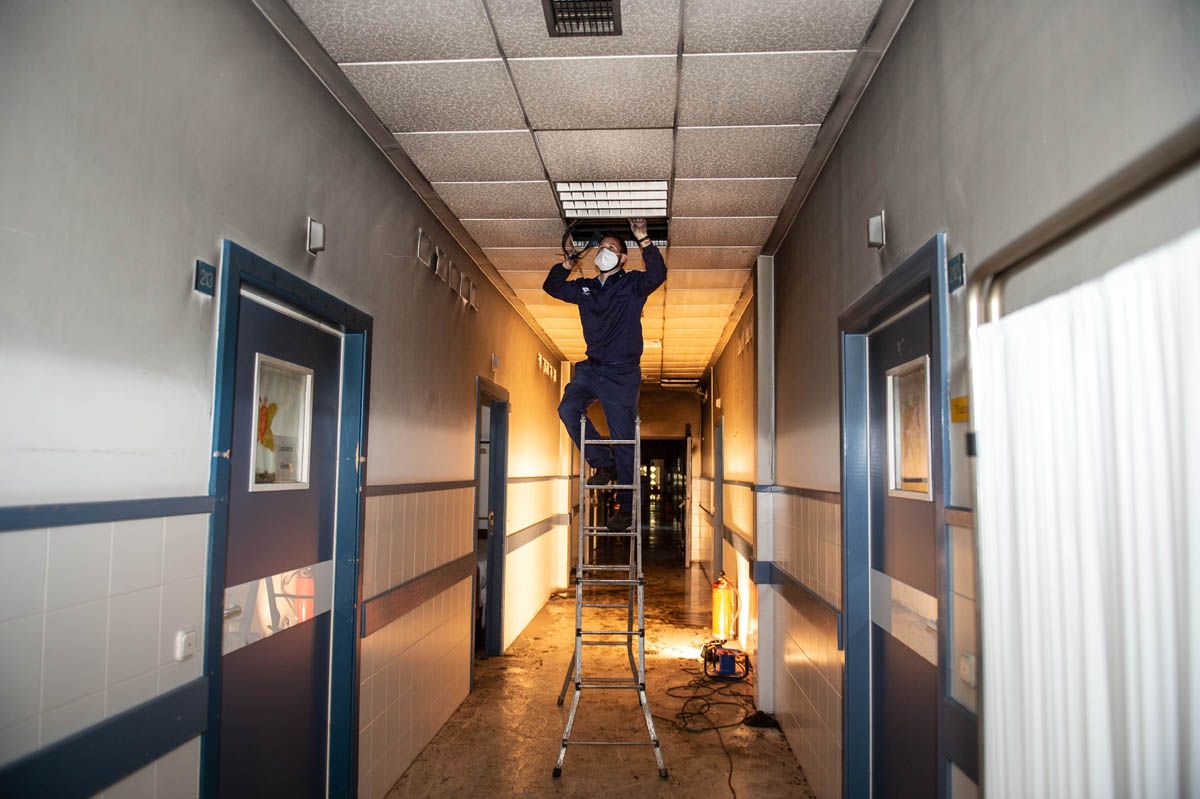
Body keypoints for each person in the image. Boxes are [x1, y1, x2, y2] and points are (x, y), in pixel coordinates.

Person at [543, 218, 666, 531]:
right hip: (592, 368)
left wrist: (644, 240)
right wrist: (568, 264)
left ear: (622, 259)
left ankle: (626, 508)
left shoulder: (632, 284)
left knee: (624, 438)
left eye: (611, 248)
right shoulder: (584, 288)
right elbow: (552, 287)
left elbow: (658, 275)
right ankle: (602, 462)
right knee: (567, 409)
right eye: (602, 247)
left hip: (622, 373)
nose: (604, 252)